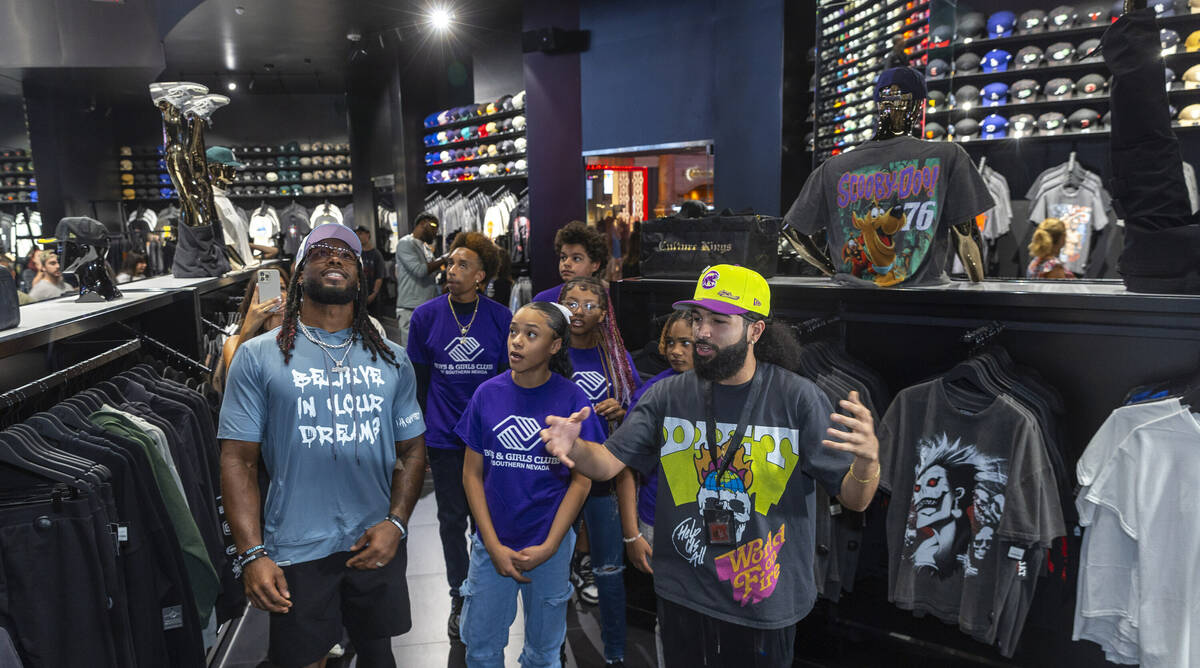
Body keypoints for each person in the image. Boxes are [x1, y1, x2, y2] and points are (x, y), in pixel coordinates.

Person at [540, 264, 881, 668]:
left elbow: (856, 501)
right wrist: (576, 448)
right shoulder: (667, 394)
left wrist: (867, 461)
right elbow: (609, 463)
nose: (702, 331)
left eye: (719, 321)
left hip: (762, 599)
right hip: (684, 590)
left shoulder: (798, 399)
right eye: (698, 318)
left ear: (755, 331)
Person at [218, 222, 427, 668]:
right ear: (298, 274)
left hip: (375, 539)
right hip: (296, 545)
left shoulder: (392, 356)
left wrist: (397, 522)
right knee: (302, 660)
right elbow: (237, 461)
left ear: (361, 276)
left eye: (347, 254)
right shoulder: (257, 356)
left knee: (377, 653)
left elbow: (412, 450)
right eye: (321, 252)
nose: (335, 258)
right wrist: (252, 553)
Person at [455, 301, 603, 668]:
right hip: (492, 545)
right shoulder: (487, 394)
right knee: (481, 650)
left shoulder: (572, 400)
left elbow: (581, 484)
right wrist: (491, 543)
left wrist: (551, 544)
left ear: (554, 346)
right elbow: (471, 474)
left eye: (531, 334)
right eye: (513, 331)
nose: (517, 342)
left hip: (548, 547)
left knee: (543, 653)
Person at [405, 231, 511, 641]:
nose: (451, 270)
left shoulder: (501, 318)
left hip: (489, 438)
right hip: (445, 438)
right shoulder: (426, 316)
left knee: (488, 520)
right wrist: (419, 435)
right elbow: (418, 382)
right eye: (449, 263)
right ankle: (459, 593)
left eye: (462, 265)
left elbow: (507, 381)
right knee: (452, 519)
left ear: (481, 276)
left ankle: (486, 589)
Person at [559, 275, 640, 666]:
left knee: (609, 568)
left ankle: (615, 653)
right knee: (553, 566)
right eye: (571, 303)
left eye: (589, 306)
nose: (579, 312)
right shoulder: (551, 352)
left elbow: (639, 410)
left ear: (604, 313)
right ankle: (549, 651)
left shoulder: (616, 359)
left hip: (605, 475)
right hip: (555, 477)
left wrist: (622, 410)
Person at [616, 309, 693, 667]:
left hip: (714, 524)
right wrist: (631, 533)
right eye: (671, 342)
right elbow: (626, 466)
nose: (676, 351)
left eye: (687, 343)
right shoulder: (653, 391)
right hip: (658, 518)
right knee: (673, 616)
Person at [216, 267, 290, 392]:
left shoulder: (299, 336)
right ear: (254, 299)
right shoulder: (234, 342)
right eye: (269, 290)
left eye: (282, 288)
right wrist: (249, 328)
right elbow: (234, 384)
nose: (277, 295)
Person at [394, 213, 445, 344]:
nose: (436, 231)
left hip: (427, 306)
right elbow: (420, 271)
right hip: (410, 308)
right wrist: (444, 259)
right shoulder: (405, 244)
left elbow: (432, 274)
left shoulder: (426, 248)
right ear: (422, 223)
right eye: (433, 226)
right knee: (411, 351)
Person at [532, 220, 608, 303]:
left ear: (595, 264)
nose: (566, 263)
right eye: (563, 257)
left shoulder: (610, 299)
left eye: (576, 259)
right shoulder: (544, 300)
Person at [356, 226, 387, 313]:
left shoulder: (376, 255)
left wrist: (373, 294)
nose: (358, 236)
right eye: (357, 234)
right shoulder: (356, 254)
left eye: (361, 234)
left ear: (368, 234)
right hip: (358, 298)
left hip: (373, 298)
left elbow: (379, 277)